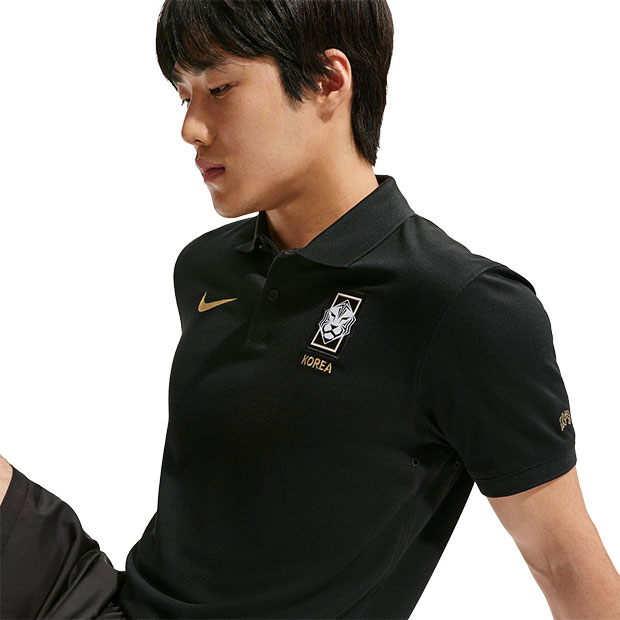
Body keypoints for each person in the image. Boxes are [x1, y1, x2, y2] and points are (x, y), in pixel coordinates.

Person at [1, 0, 620, 618]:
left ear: (328, 80)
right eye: (183, 96)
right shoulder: (206, 267)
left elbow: (561, 560)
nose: (190, 128)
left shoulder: (465, 307)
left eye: (219, 88)